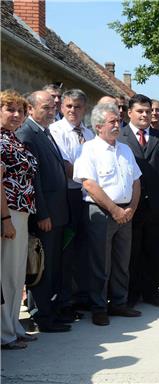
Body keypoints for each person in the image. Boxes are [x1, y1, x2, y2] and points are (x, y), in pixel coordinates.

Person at [73, 102, 142, 326]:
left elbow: (136, 181)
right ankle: (99, 307)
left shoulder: (125, 149)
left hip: (126, 212)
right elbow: (89, 184)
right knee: (100, 263)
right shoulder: (89, 149)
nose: (117, 125)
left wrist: (131, 207)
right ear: (99, 126)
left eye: (118, 121)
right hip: (101, 212)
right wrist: (114, 210)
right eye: (113, 122)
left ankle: (119, 303)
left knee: (122, 261)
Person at [119, 94, 159, 308]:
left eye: (148, 111)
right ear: (130, 113)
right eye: (140, 111)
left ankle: (151, 291)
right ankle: (131, 293)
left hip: (157, 204)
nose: (145, 115)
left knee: (154, 249)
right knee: (131, 251)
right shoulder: (120, 137)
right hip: (131, 205)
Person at [16, 91, 70, 333]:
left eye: (53, 107)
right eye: (46, 107)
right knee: (42, 269)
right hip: (46, 215)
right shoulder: (27, 134)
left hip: (58, 213)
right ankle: (42, 317)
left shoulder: (45, 132)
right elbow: (34, 180)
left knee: (54, 267)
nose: (52, 111)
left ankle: (52, 311)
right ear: (31, 108)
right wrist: (43, 214)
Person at [49, 89, 94, 318]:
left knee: (84, 250)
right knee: (66, 251)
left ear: (84, 108)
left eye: (77, 106)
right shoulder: (56, 131)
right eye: (68, 106)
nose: (72, 111)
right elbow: (66, 166)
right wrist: (90, 179)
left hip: (88, 197)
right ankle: (65, 300)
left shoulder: (90, 133)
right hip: (68, 195)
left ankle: (81, 296)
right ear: (61, 107)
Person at [1, 90, 38, 349]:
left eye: (21, 111)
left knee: (16, 275)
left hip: (22, 212)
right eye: (9, 109)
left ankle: (13, 325)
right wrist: (5, 219)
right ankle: (4, 333)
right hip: (8, 212)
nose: (16, 115)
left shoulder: (13, 139)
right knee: (5, 276)